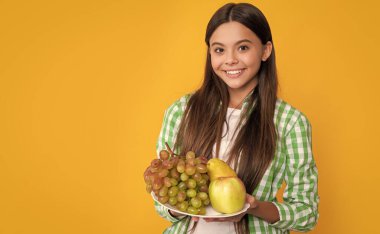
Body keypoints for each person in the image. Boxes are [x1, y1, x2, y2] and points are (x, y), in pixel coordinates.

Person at [154, 2, 319, 234]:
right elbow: (162, 205)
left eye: (242, 48)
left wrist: (255, 207)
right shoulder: (182, 111)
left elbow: (307, 213)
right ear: (210, 53)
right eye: (219, 50)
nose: (230, 59)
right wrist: (180, 205)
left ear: (265, 50)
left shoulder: (290, 122)